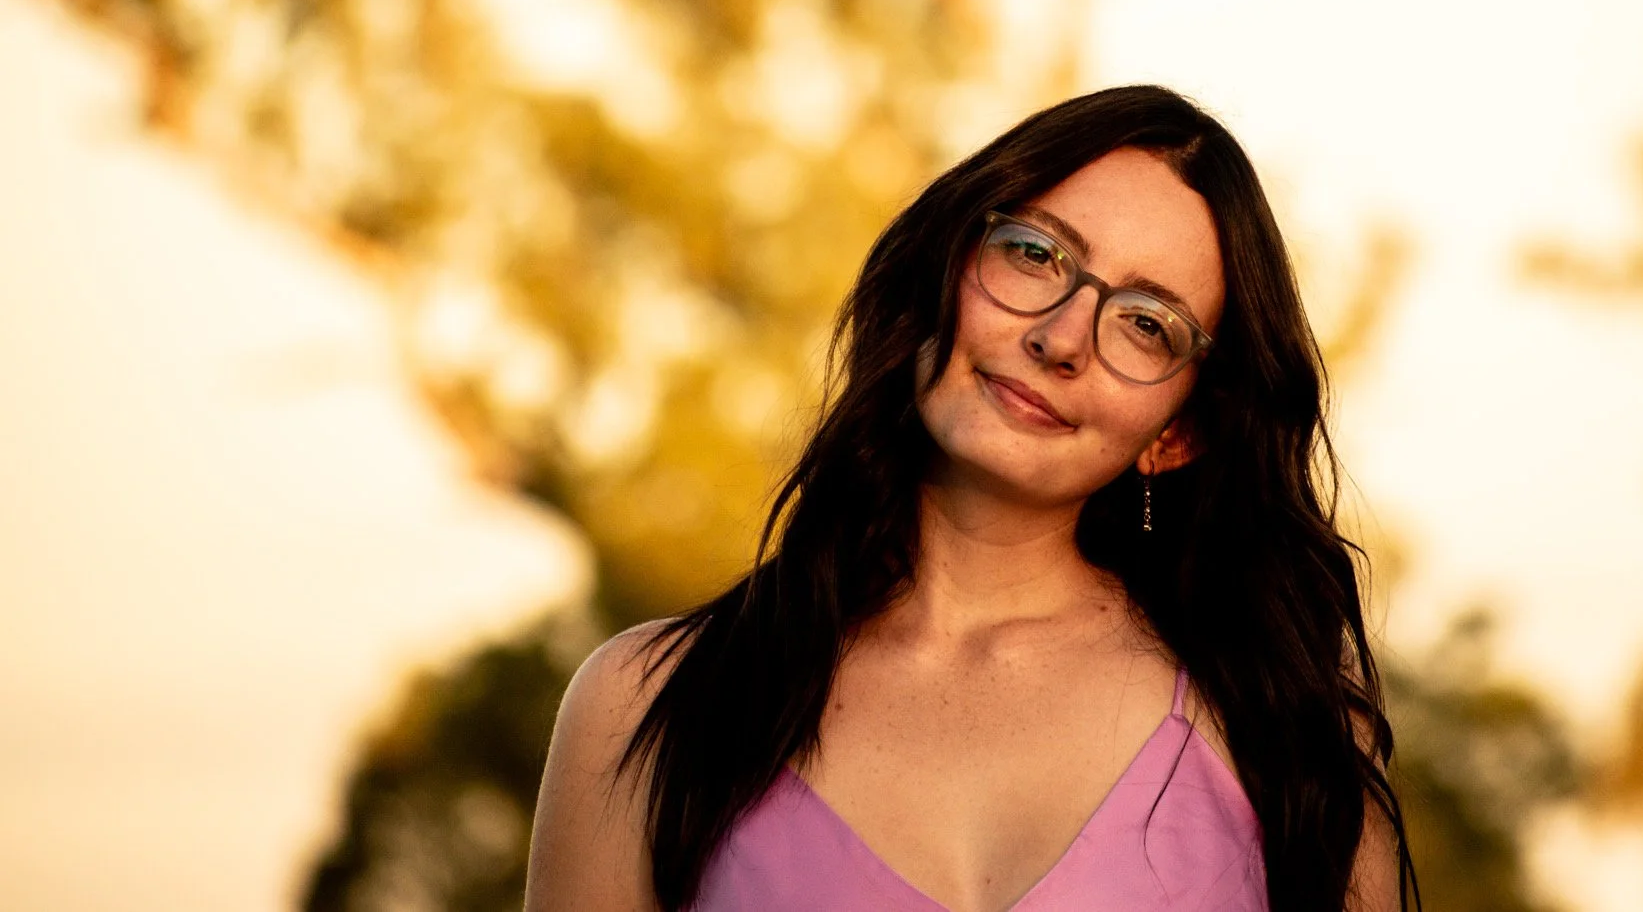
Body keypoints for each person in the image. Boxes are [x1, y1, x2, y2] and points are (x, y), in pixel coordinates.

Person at [524, 85, 1416, 911]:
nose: (1064, 336)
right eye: (1036, 254)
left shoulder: (1291, 737)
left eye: (1148, 322)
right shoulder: (642, 708)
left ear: (1180, 430)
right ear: (943, 268)